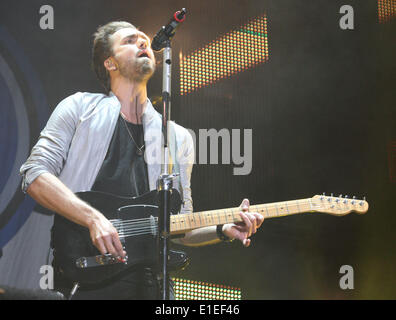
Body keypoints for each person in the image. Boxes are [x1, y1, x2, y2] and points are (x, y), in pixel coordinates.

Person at [20, 21, 264, 299]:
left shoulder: (178, 137)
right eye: (130, 40)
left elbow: (181, 226)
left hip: (153, 283)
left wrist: (223, 229)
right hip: (87, 273)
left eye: (144, 40)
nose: (143, 42)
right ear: (110, 63)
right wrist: (92, 218)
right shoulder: (78, 108)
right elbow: (34, 174)